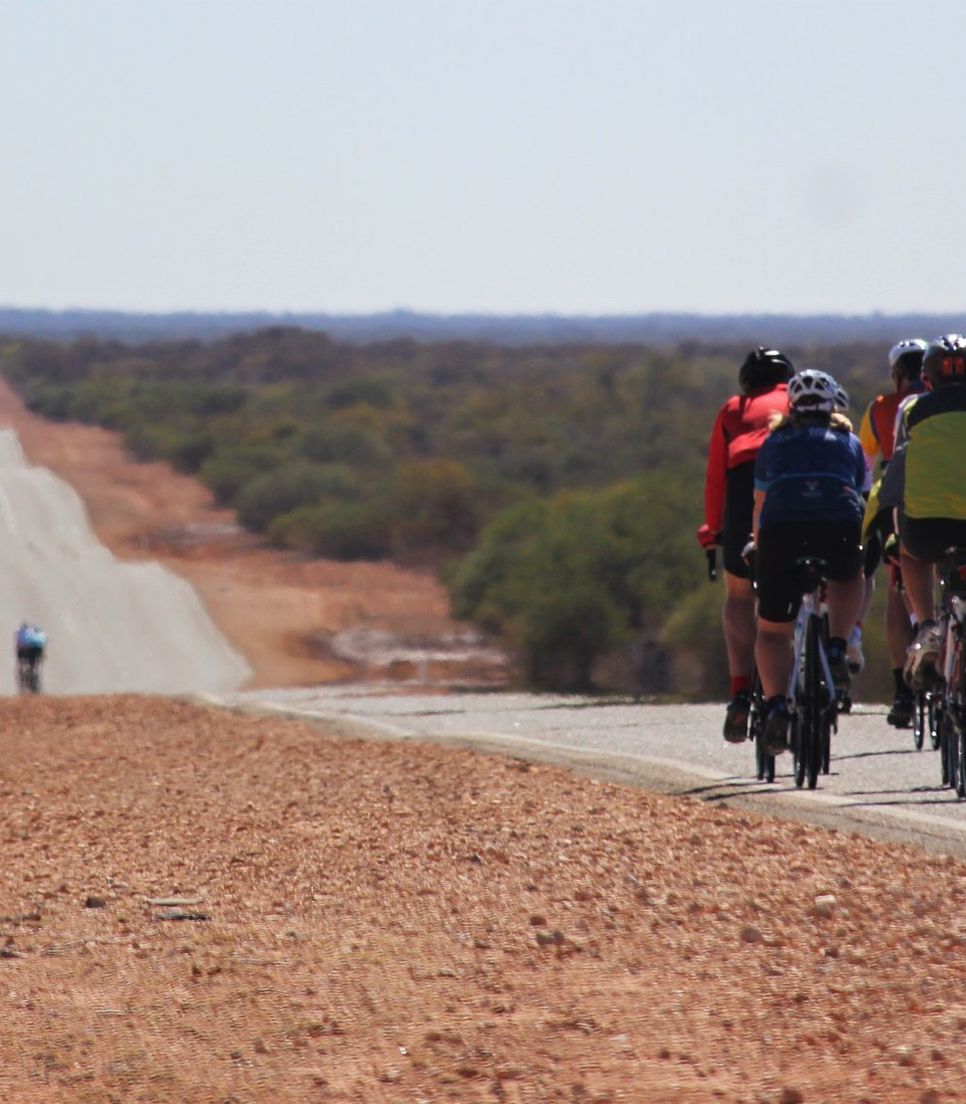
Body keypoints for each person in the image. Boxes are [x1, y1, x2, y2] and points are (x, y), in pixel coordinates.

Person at [751, 369, 868, 754]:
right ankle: (837, 645)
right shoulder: (848, 442)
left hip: (782, 530)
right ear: (833, 404)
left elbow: (760, 504)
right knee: (851, 575)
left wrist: (757, 543)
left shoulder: (773, 443)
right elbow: (862, 495)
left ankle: (776, 704)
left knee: (772, 630)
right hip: (838, 526)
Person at [697, 347, 793, 742]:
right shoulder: (801, 401)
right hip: (799, 493)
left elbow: (716, 478)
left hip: (742, 494)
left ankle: (740, 693)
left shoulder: (734, 409)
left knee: (739, 597)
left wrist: (712, 532)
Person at [885, 335, 966, 689]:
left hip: (927, 528)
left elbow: (898, 472)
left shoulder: (911, 410)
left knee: (909, 553)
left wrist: (892, 530)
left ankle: (925, 624)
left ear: (927, 378)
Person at [858, 339, 928, 725]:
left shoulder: (884, 408)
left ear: (896, 373)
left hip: (900, 501)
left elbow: (866, 468)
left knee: (898, 589)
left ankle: (902, 691)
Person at [15, 622, 47, 692]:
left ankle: (25, 684)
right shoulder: (38, 636)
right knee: (34, 667)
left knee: (23, 668)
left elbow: (19, 647)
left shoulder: (21, 634)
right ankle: (34, 682)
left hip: (25, 654)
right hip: (35, 653)